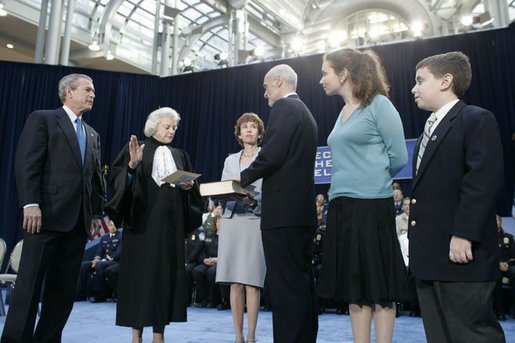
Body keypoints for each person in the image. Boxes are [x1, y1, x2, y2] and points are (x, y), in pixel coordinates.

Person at [409, 51, 505, 342]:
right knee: (440, 335)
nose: (414, 88)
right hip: (430, 257)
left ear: (445, 81)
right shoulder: (429, 128)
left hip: (463, 256)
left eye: (420, 80)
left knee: (471, 333)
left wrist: (464, 233)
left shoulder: (476, 119)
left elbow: (481, 182)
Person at [1, 73, 104, 342]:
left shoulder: (92, 134)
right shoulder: (44, 119)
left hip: (77, 224)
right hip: (45, 218)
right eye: (87, 89)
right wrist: (30, 203)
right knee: (29, 287)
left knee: (62, 293)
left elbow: (95, 180)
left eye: (93, 91)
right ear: (68, 92)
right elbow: (27, 164)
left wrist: (95, 213)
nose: (93, 94)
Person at [317, 48, 408, 343]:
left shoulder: (379, 105)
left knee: (379, 284)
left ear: (343, 74)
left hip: (372, 204)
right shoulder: (343, 112)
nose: (321, 79)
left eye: (325, 72)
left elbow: (398, 158)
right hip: (341, 204)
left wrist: (372, 177)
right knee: (355, 283)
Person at [106, 107, 201, 343]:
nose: (172, 131)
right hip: (142, 227)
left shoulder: (180, 155)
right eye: (167, 127)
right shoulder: (138, 150)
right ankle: (136, 336)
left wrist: (189, 188)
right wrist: (131, 167)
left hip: (170, 228)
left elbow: (193, 194)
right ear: (154, 127)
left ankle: (159, 335)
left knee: (164, 280)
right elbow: (119, 183)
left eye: (174, 127)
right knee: (140, 280)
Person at [240, 64, 319, 343]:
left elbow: (271, 155)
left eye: (265, 86)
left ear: (278, 81)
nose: (265, 94)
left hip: (283, 214)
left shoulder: (285, 109)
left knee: (285, 289)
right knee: (300, 287)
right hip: (300, 214)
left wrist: (241, 180)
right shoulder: (306, 112)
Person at [215, 112, 267, 343]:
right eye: (244, 127)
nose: (248, 130)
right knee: (235, 280)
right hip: (232, 219)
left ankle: (252, 335)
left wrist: (254, 200)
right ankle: (238, 336)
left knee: (252, 280)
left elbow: (270, 190)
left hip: (255, 220)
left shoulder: (265, 157)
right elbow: (224, 187)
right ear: (238, 133)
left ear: (259, 133)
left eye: (253, 127)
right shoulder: (229, 160)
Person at [77, 219, 122, 302]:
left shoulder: (120, 236)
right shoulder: (104, 238)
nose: (112, 227)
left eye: (114, 225)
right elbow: (99, 252)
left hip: (113, 261)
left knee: (100, 265)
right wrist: (96, 260)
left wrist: (102, 260)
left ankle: (100, 294)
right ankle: (81, 294)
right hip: (102, 261)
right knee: (84, 265)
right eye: (111, 225)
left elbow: (118, 253)